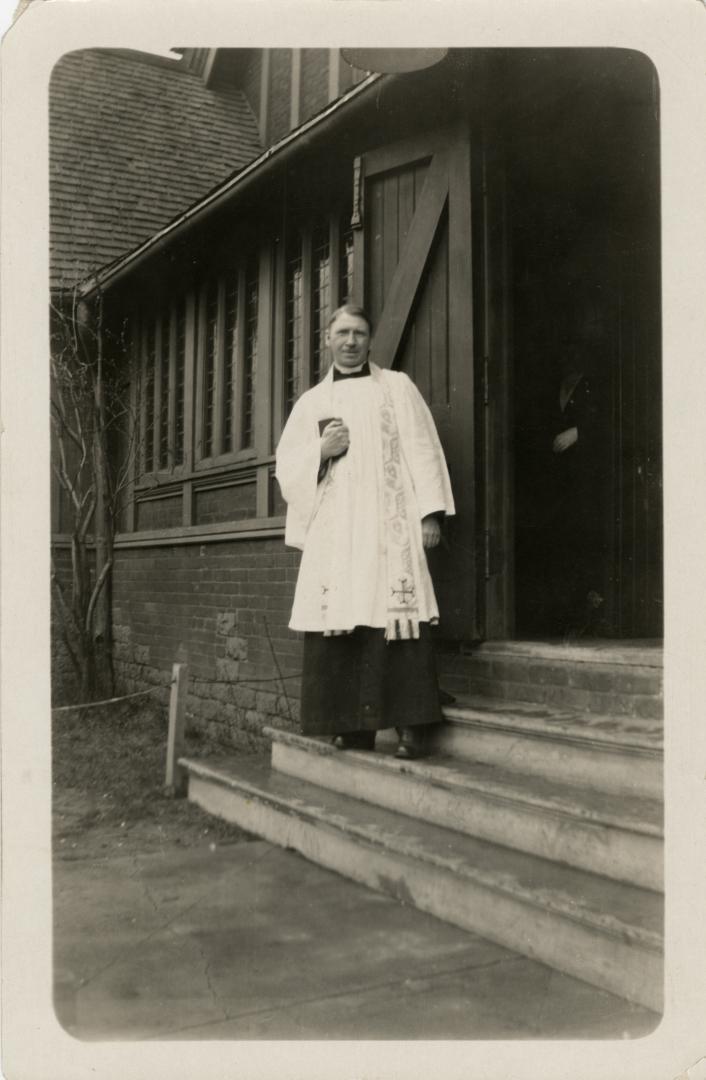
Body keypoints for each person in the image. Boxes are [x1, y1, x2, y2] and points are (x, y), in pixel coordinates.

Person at [275, 303, 455, 760]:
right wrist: (322, 448)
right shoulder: (312, 402)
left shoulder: (396, 388)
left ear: (370, 339)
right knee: (345, 616)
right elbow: (287, 470)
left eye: (359, 333)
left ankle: (412, 728)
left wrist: (430, 514)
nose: (351, 341)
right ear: (327, 339)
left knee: (398, 617)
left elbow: (423, 449)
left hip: (389, 527)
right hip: (337, 533)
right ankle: (351, 727)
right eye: (342, 333)